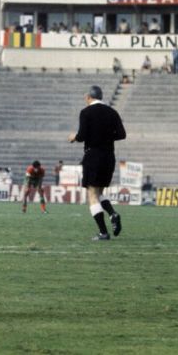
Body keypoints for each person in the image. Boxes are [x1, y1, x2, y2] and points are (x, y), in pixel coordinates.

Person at [68, 85, 127, 240]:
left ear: (89, 97)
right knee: (99, 192)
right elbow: (122, 134)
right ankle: (113, 214)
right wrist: (105, 136)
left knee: (92, 194)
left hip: (93, 156)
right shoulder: (112, 112)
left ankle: (103, 232)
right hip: (109, 157)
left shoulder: (86, 112)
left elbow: (81, 136)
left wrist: (74, 137)